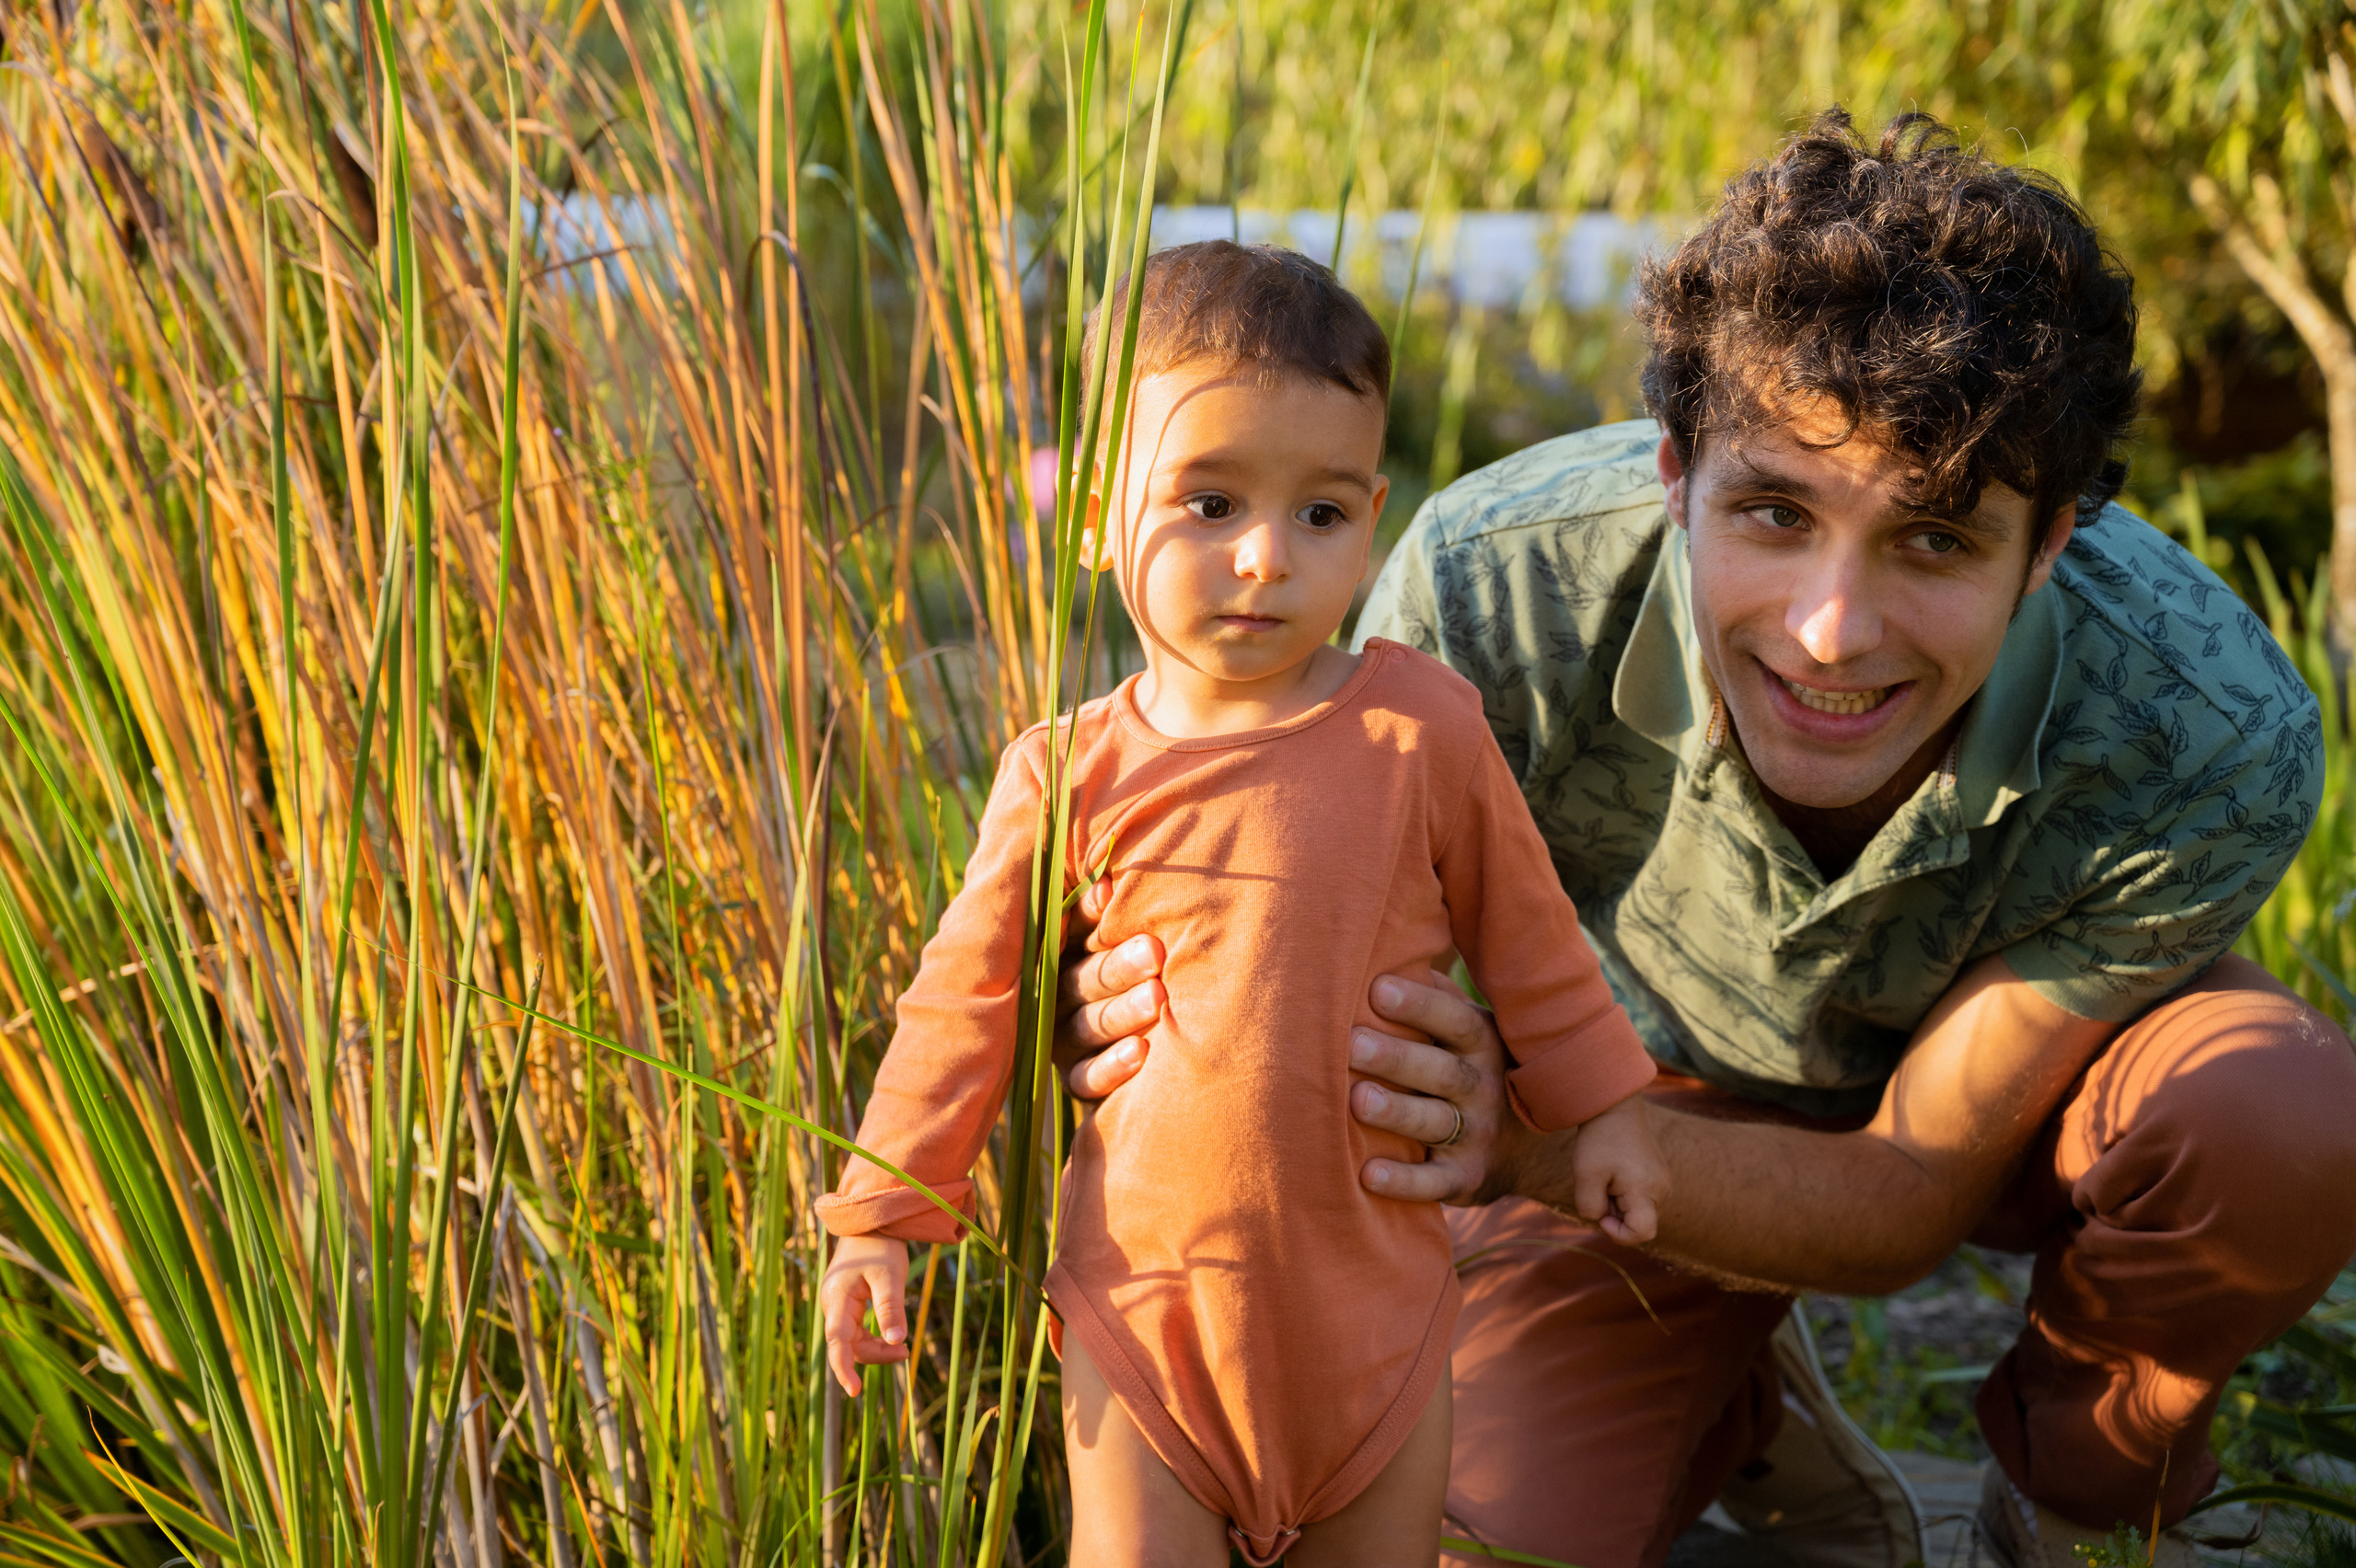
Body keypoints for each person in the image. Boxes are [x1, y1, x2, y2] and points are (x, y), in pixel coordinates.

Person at [1054, 113, 2356, 1568]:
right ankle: (1720, 1380)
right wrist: (1133, 989)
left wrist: (1520, 1145)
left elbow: (1907, 1193)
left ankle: (2077, 1496)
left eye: (1936, 539)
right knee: (1481, 1537)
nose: (1831, 631)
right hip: (1626, 1100)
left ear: (2051, 542)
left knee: (2279, 1118)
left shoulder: (2208, 727)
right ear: (1674, 472)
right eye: (1772, 512)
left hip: (2006, 1112)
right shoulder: (1494, 594)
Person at [814, 241, 1667, 1567]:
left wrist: (1606, 1115)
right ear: (1100, 509)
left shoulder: (1418, 729)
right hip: (1149, 1318)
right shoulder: (1066, 773)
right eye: (1210, 504)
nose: (1267, 559)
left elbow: (1534, 936)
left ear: (1371, 519)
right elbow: (962, 1009)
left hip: (1375, 1317)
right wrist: (879, 1219)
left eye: (1320, 515)